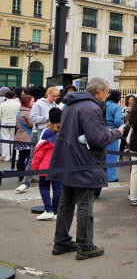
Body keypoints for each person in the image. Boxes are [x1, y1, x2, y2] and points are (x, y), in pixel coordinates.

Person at [47, 77, 124, 260]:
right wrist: (116, 133)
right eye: (106, 91)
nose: (107, 95)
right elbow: (97, 139)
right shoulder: (91, 108)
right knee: (84, 205)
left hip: (68, 160)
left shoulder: (71, 105)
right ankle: (85, 246)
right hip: (84, 161)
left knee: (66, 202)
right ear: (99, 91)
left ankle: (62, 241)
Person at [15, 86, 60, 193]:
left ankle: (50, 181)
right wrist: (50, 117)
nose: (55, 98)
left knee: (52, 158)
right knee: (33, 158)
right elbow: (33, 118)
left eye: (57, 96)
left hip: (52, 133)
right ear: (47, 94)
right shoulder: (39, 104)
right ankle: (25, 183)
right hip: (39, 133)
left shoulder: (55, 105)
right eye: (54, 96)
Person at [31, 108, 63, 220]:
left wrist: (34, 165)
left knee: (44, 187)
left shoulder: (46, 132)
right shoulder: (65, 131)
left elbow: (39, 150)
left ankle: (48, 210)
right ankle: (56, 210)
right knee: (58, 187)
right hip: (60, 164)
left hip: (46, 164)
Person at [105, 90, 124, 183]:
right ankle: (111, 176)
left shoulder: (102, 104)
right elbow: (118, 121)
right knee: (111, 154)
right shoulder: (116, 107)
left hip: (101, 130)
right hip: (112, 131)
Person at [14, 95, 35, 180]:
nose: (34, 103)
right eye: (32, 101)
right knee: (29, 157)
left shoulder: (19, 112)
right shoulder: (28, 113)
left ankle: (20, 175)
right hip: (27, 138)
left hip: (19, 137)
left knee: (21, 157)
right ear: (27, 102)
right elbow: (32, 124)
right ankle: (26, 177)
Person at [0, 90, 20, 161]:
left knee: (5, 139)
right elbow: (19, 115)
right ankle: (14, 154)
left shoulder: (2, 105)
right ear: (14, 96)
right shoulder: (18, 104)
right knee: (14, 139)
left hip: (4, 123)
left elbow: (0, 115)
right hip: (14, 123)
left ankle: (6, 155)